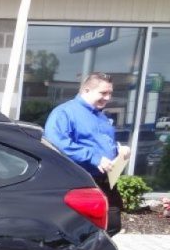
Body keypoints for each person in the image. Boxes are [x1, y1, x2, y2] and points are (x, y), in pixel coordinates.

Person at [44, 71, 130, 236]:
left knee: (112, 224)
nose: (107, 98)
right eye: (103, 93)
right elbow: (56, 142)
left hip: (105, 181)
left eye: (110, 93)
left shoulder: (102, 117)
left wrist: (119, 151)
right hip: (80, 182)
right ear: (86, 91)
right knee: (84, 231)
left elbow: (102, 143)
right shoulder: (65, 113)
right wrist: (94, 157)